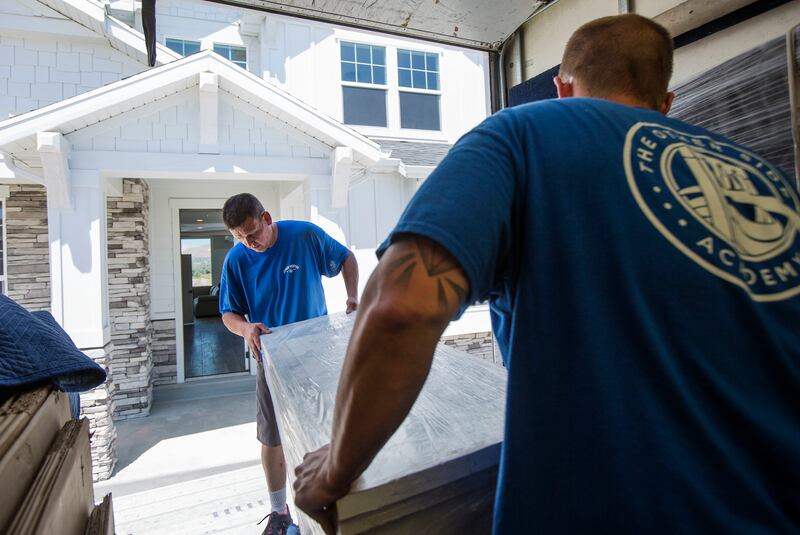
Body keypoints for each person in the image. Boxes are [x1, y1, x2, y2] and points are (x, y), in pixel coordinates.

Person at [292, 13, 800, 534]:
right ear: (666, 101)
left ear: (561, 87)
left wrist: (334, 472)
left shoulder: (523, 133)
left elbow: (402, 306)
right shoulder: (767, 182)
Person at [218, 193, 359, 535]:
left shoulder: (304, 236)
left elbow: (346, 259)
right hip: (272, 362)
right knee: (271, 438)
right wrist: (246, 327)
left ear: (266, 218)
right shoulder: (237, 260)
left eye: (252, 233)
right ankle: (279, 512)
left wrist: (354, 296)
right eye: (240, 237)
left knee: (327, 427)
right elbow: (228, 314)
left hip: (318, 353)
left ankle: (336, 496)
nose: (249, 243)